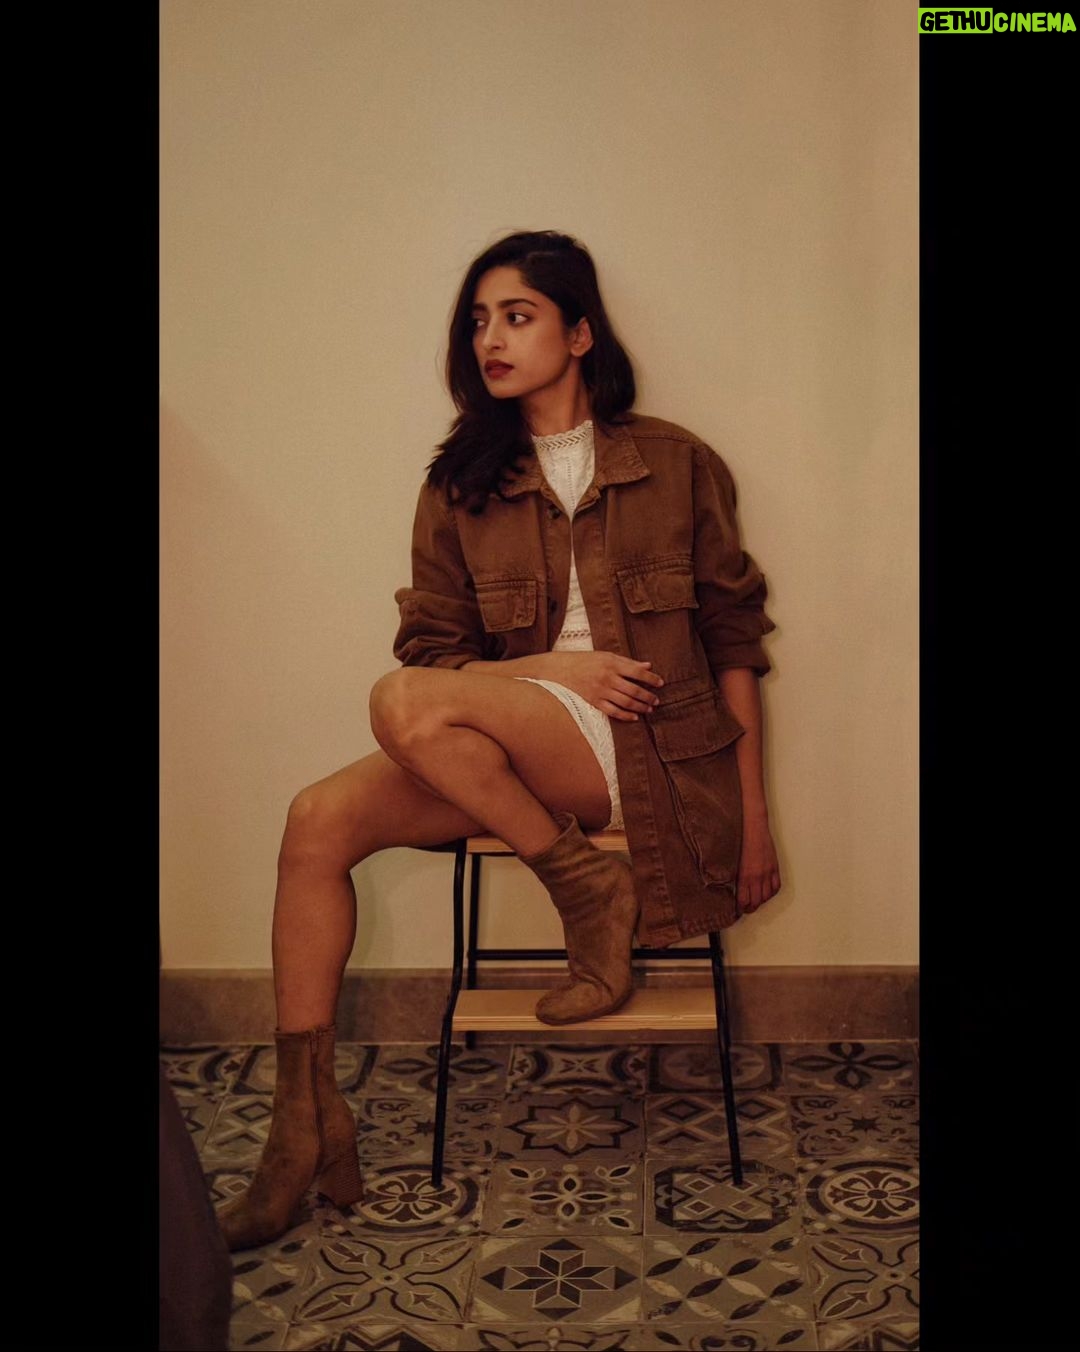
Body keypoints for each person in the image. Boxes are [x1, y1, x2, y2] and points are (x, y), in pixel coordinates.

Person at [216, 229, 780, 1253]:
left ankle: (589, 891)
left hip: (647, 753)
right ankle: (302, 1126)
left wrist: (754, 820)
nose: (491, 338)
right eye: (479, 320)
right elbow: (436, 654)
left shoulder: (677, 462)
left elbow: (736, 640)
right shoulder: (460, 482)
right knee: (315, 820)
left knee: (401, 701)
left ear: (579, 333)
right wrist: (555, 670)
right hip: (518, 754)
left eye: (517, 316)